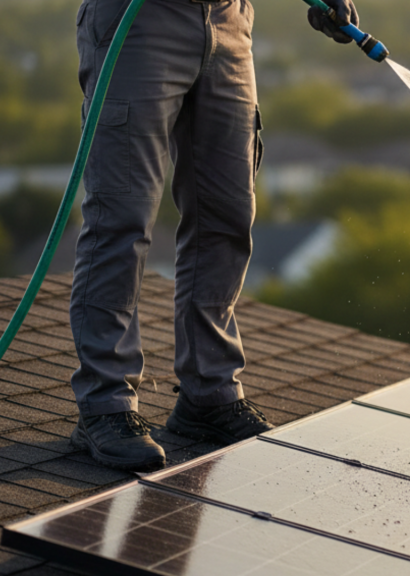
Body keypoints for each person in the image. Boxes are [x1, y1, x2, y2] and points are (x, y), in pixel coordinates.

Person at [69, 0, 358, 471]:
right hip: (139, 21)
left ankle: (209, 394)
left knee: (226, 216)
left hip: (228, 21)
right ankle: (105, 406)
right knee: (122, 219)